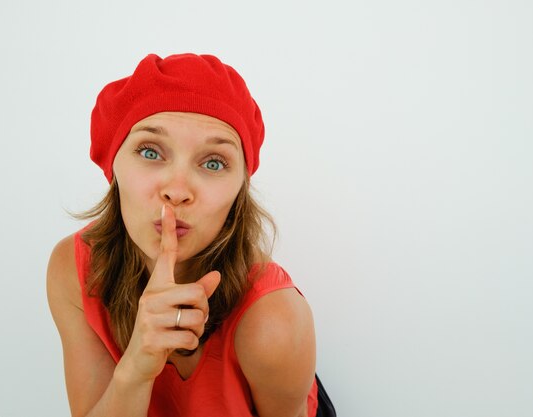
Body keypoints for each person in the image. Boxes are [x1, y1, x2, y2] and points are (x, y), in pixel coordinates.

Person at [47, 53, 335, 417]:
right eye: (150, 152)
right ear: (112, 164)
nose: (177, 189)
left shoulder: (274, 321)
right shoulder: (73, 270)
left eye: (213, 162)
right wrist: (135, 369)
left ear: (239, 190)